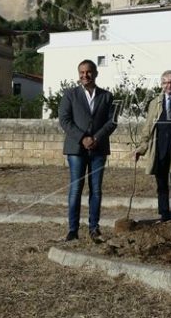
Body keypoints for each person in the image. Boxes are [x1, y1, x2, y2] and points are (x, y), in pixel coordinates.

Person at [58, 59, 117, 242]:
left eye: (89, 72)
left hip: (98, 150)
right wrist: (83, 138)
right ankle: (73, 229)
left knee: (96, 190)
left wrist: (96, 138)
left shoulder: (107, 96)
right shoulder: (70, 94)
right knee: (76, 189)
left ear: (96, 73)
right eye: (82, 72)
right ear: (78, 74)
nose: (85, 75)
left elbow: (112, 121)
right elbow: (65, 120)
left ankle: (94, 228)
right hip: (76, 149)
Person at [134, 70, 171, 221]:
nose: (169, 86)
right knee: (161, 184)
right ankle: (164, 213)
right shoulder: (155, 103)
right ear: (161, 85)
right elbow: (148, 127)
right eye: (165, 83)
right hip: (159, 147)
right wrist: (142, 147)